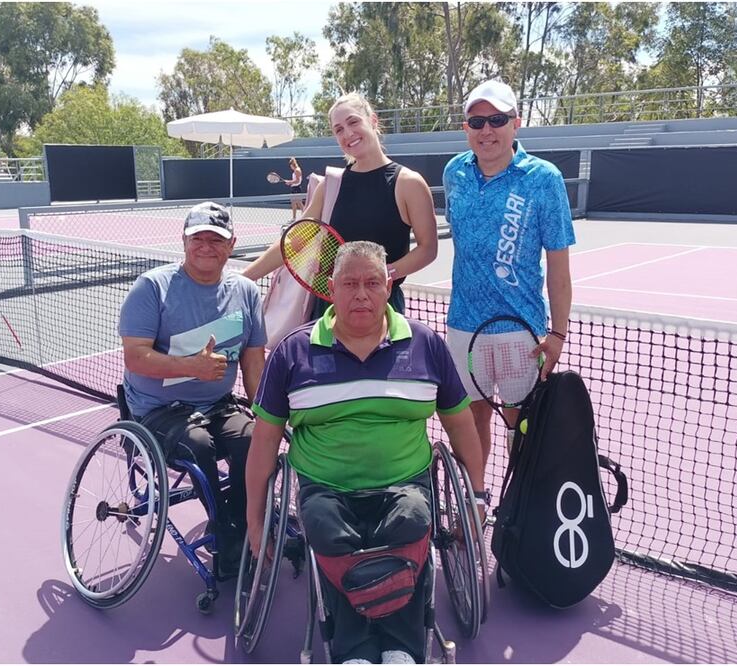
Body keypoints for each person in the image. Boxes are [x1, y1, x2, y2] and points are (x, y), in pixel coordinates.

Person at [245, 241, 486, 664]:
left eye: (372, 282)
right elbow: (265, 440)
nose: (361, 294)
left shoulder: (425, 344)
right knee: (325, 527)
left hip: (405, 482)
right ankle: (353, 649)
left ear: (388, 285)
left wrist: (476, 495)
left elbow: (461, 423)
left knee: (411, 519)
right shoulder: (292, 352)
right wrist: (254, 516)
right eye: (350, 283)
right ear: (331, 290)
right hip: (325, 487)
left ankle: (401, 649)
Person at [118, 201, 266, 579]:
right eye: (197, 238)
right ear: (183, 242)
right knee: (199, 445)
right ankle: (227, 532)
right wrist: (190, 368)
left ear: (231, 244)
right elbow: (135, 357)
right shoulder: (153, 288)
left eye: (215, 239)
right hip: (158, 410)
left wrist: (268, 415)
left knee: (255, 439)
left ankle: (240, 522)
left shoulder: (246, 292)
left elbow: (252, 363)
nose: (206, 246)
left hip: (220, 404)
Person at [443, 79, 575, 469]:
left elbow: (559, 268)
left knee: (523, 430)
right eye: (476, 121)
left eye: (497, 120)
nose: (487, 130)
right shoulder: (455, 173)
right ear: (466, 127)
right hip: (464, 328)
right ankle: (475, 506)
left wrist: (558, 333)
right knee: (470, 422)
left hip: (522, 333)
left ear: (516, 123)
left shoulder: (544, 179)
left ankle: (518, 510)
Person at [243, 93, 439, 319]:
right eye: (338, 129)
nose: (348, 133)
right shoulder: (329, 187)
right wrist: (243, 279)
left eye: (353, 122)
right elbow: (292, 244)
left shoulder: (408, 183)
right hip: (328, 310)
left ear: (373, 121)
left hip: (382, 310)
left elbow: (428, 249)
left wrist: (382, 276)